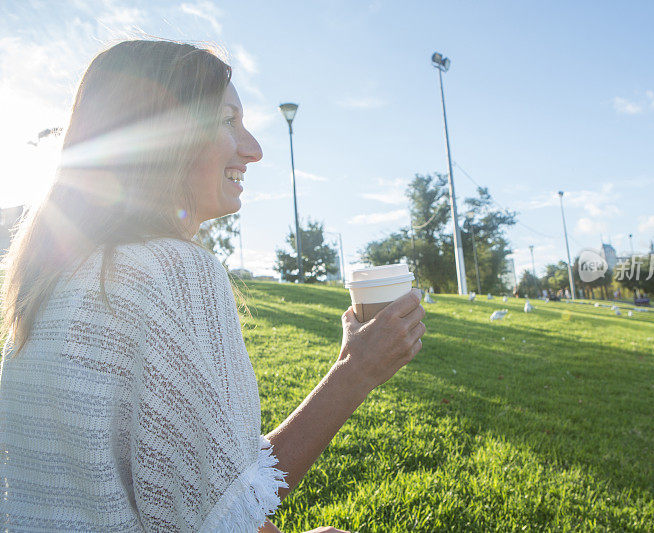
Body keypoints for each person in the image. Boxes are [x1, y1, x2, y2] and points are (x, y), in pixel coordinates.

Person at [0, 40, 426, 532]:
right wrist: (357, 371)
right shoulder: (172, 272)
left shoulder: (53, 280)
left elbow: (205, 488)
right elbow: (228, 520)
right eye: (228, 121)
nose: (254, 149)